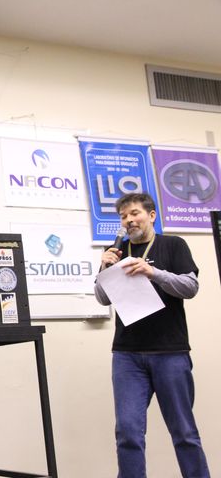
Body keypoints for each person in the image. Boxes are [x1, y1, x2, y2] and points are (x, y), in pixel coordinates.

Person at [94, 192, 210, 478]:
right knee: (128, 432)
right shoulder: (116, 250)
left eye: (134, 213)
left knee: (184, 432)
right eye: (123, 216)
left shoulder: (173, 244)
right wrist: (104, 268)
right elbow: (103, 299)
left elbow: (190, 288)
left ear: (152, 215)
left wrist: (153, 272)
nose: (129, 220)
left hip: (170, 352)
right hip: (127, 356)